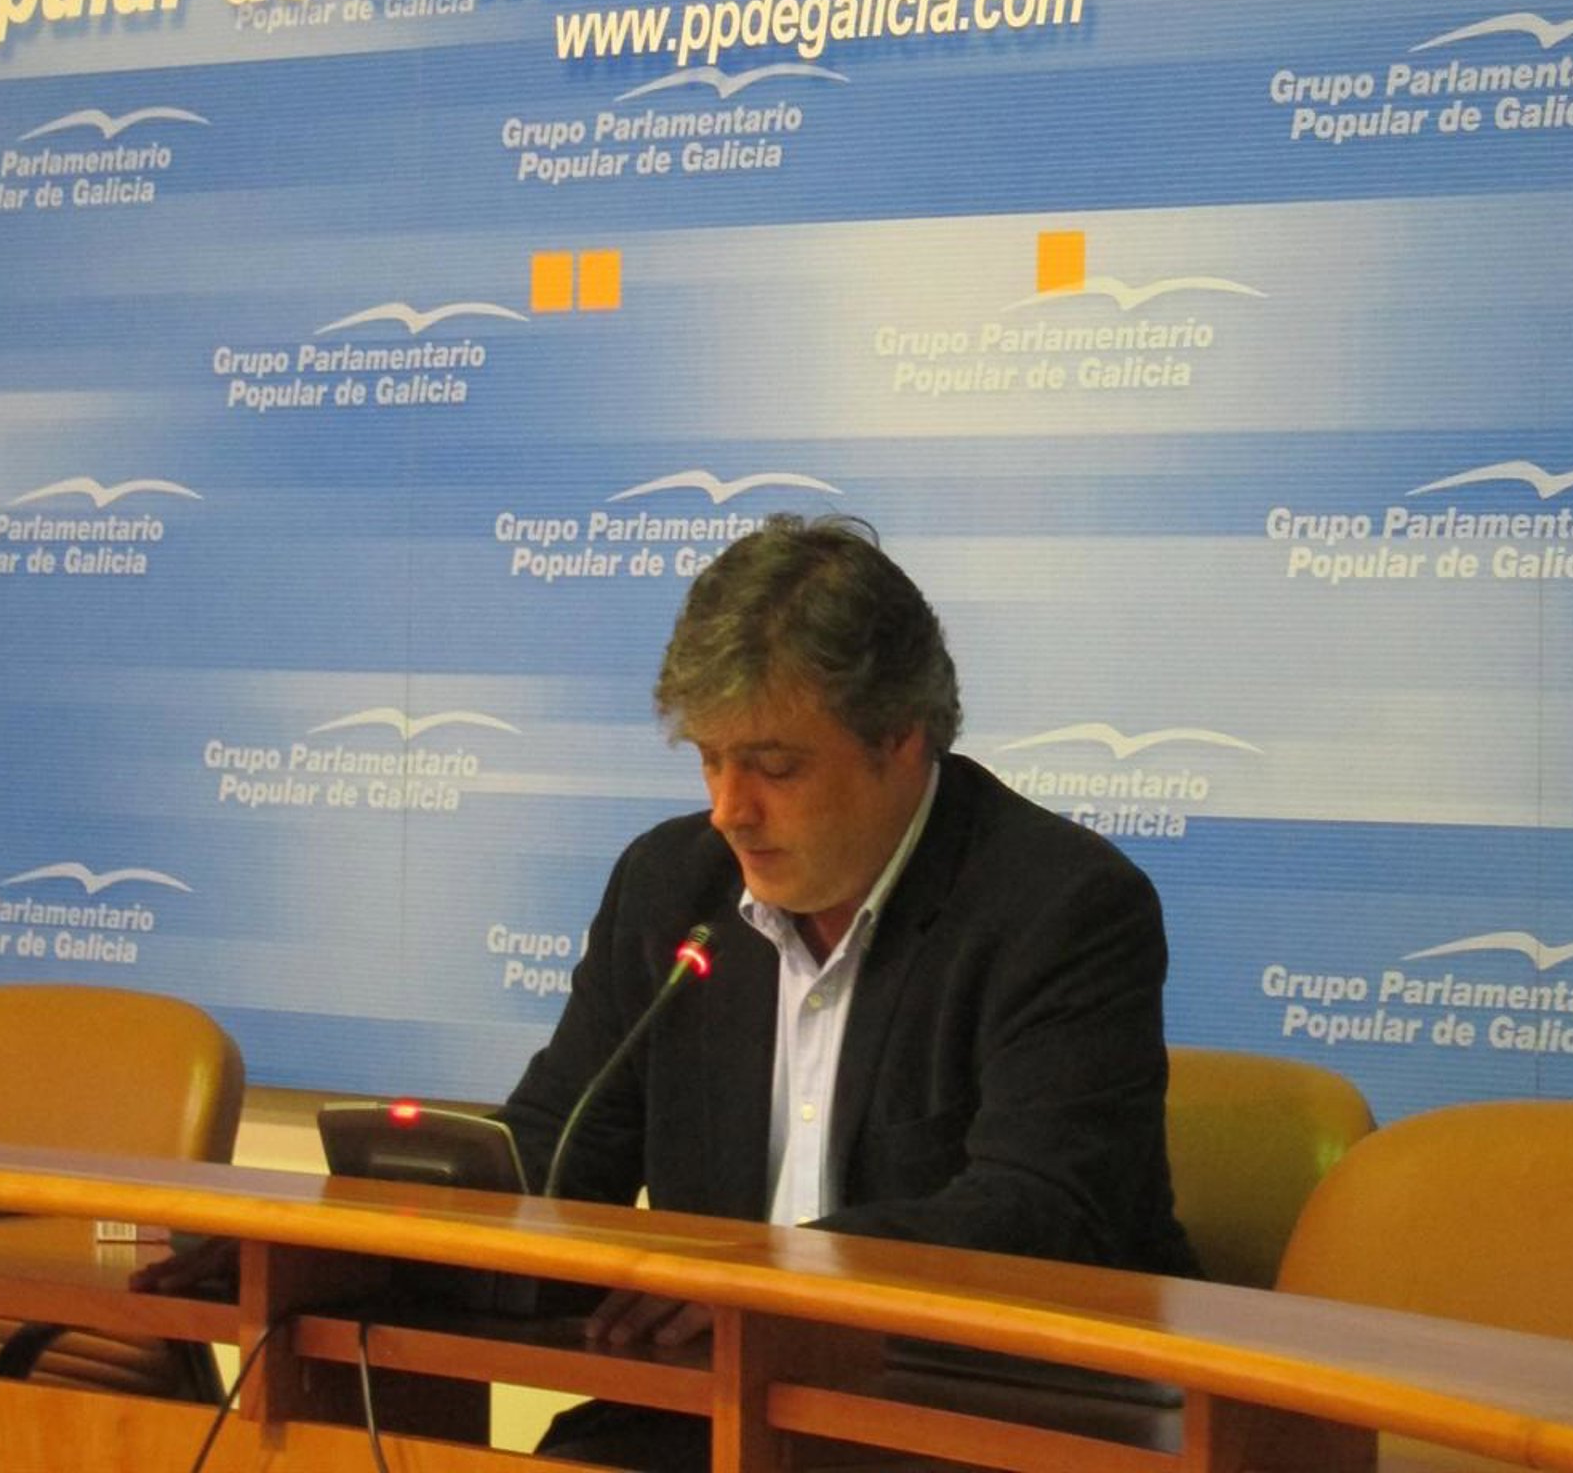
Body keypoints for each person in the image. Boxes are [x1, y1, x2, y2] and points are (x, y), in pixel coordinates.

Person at [501, 512, 1197, 1466]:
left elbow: (1041, 1212)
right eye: (709, 759)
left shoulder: (1061, 906)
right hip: (726, 1399)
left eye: (774, 767)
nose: (729, 810)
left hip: (977, 1411)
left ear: (901, 737)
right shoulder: (670, 888)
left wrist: (765, 1274)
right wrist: (424, 1196)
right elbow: (565, 1147)